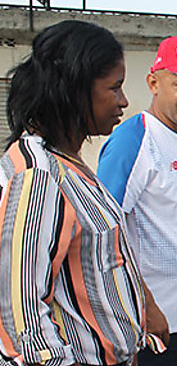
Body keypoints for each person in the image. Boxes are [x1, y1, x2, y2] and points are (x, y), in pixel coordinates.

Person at [0, 20, 151, 365]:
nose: (123, 101)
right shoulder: (38, 176)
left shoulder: (66, 162)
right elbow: (21, 316)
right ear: (75, 89)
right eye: (115, 88)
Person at [98, 35, 177, 366]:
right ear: (154, 82)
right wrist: (145, 305)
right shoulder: (133, 141)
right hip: (159, 326)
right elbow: (105, 231)